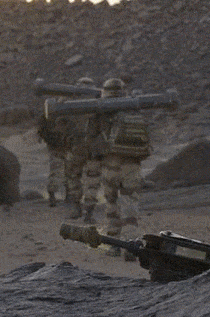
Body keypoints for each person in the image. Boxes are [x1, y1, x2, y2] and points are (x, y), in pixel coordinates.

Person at [92, 76, 150, 245]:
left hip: (110, 165)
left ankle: (113, 243)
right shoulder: (133, 107)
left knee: (111, 204)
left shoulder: (100, 110)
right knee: (130, 204)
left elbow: (93, 138)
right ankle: (131, 243)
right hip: (132, 165)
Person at [61, 76, 107, 219]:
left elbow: (60, 124)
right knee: (93, 181)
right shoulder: (101, 104)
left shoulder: (70, 104)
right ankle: (89, 212)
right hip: (94, 148)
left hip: (76, 147)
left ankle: (76, 208)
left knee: (73, 177)